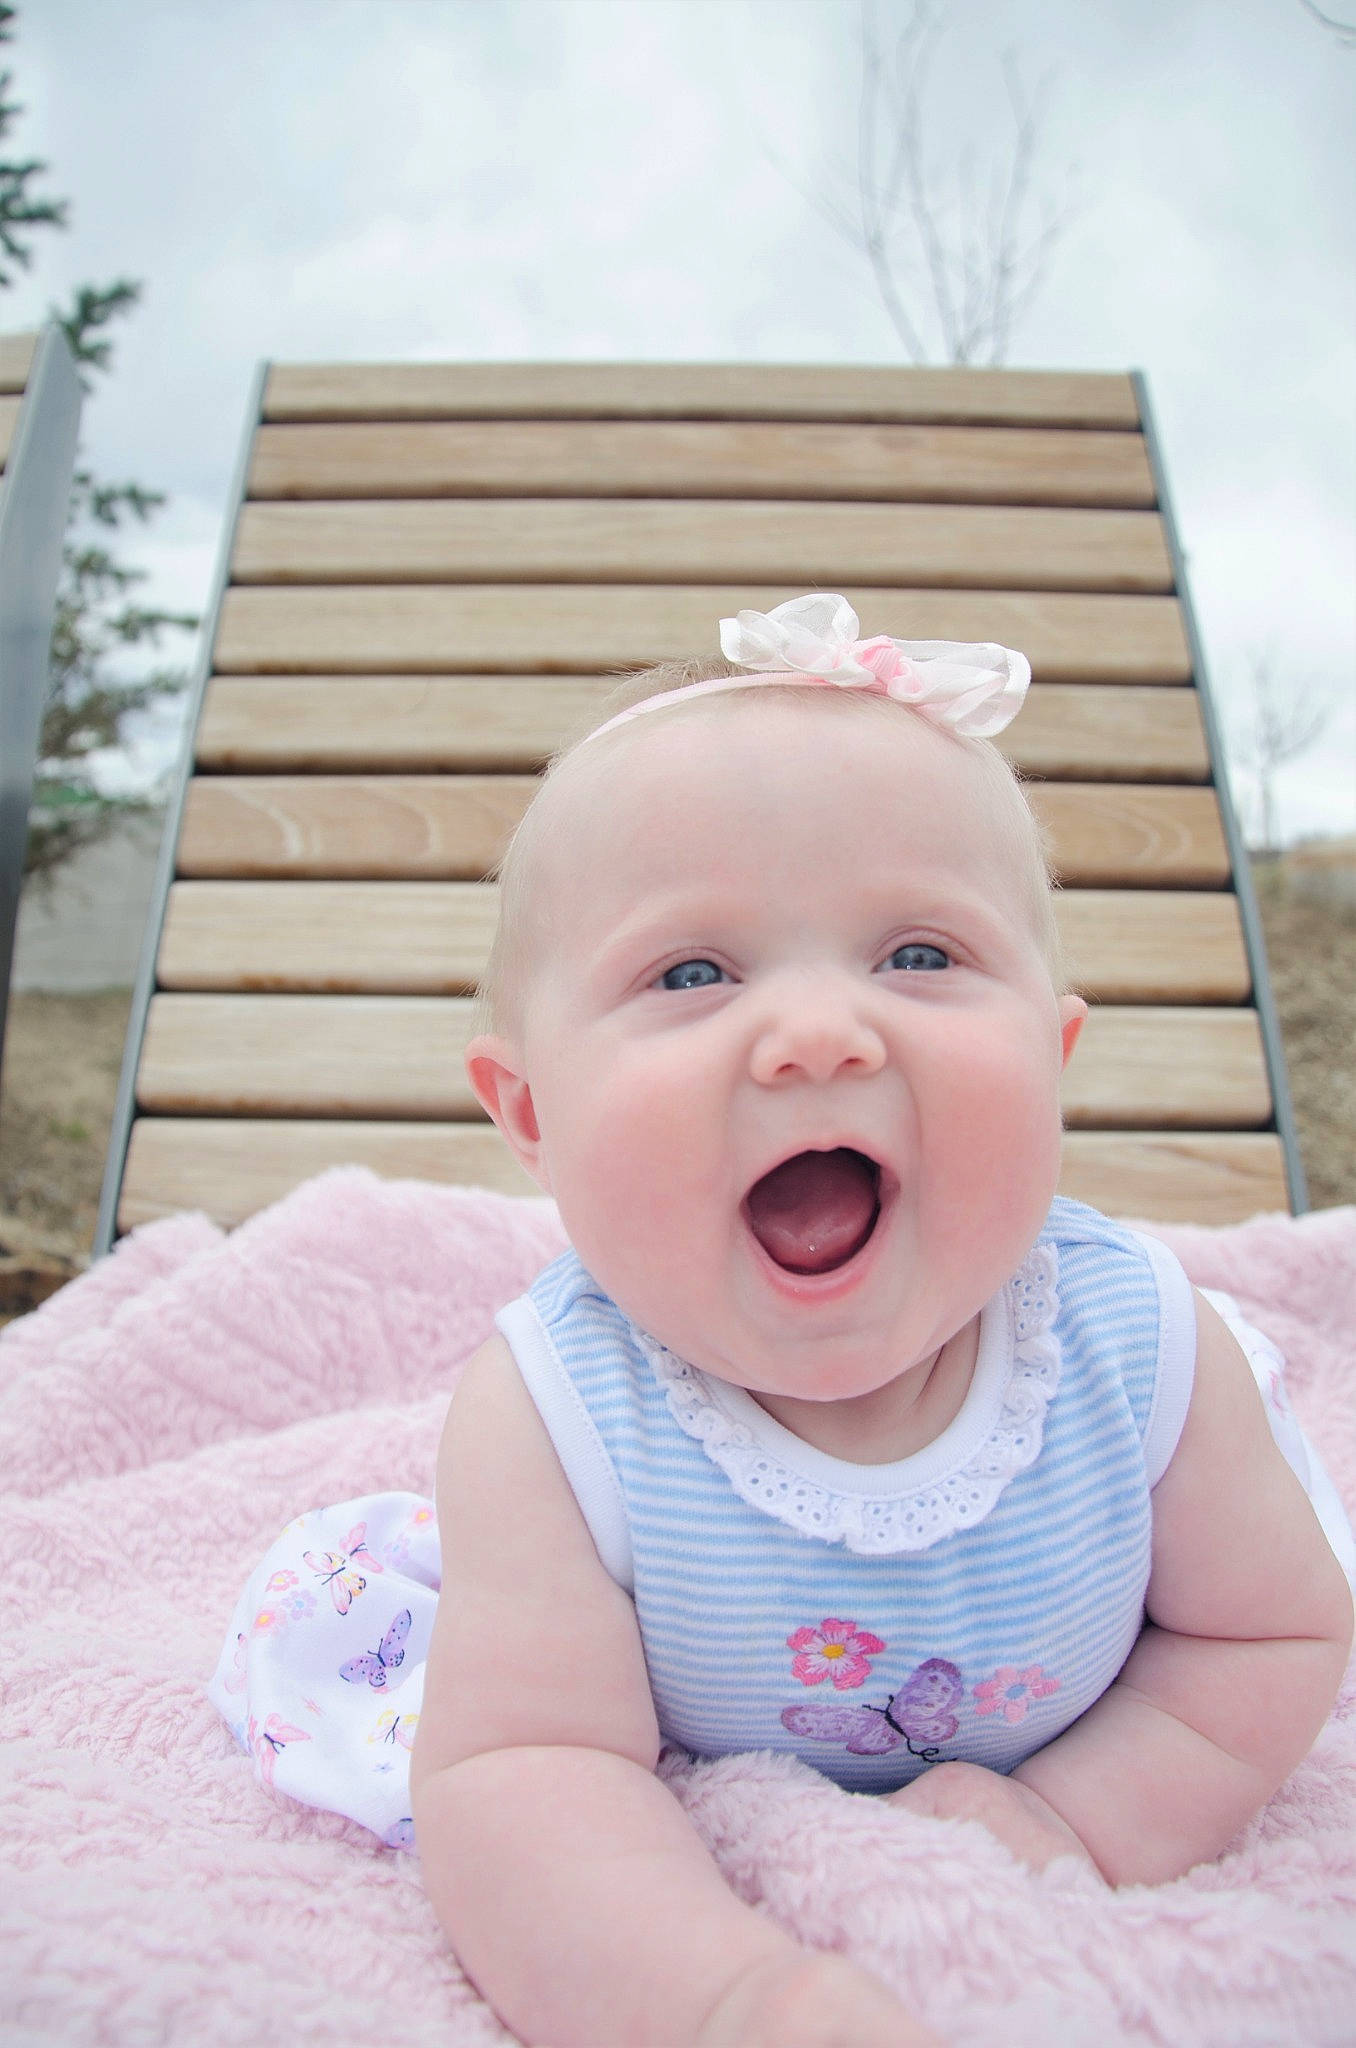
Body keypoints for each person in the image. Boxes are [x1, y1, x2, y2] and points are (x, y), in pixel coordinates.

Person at [210, 595, 1353, 2048]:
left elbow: (1264, 1641)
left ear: (1055, 1060)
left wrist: (1073, 1818)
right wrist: (727, 1999)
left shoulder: (1143, 1355)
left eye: (922, 957)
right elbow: (526, 1771)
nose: (822, 1032)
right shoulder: (557, 1420)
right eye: (693, 974)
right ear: (535, 1120)